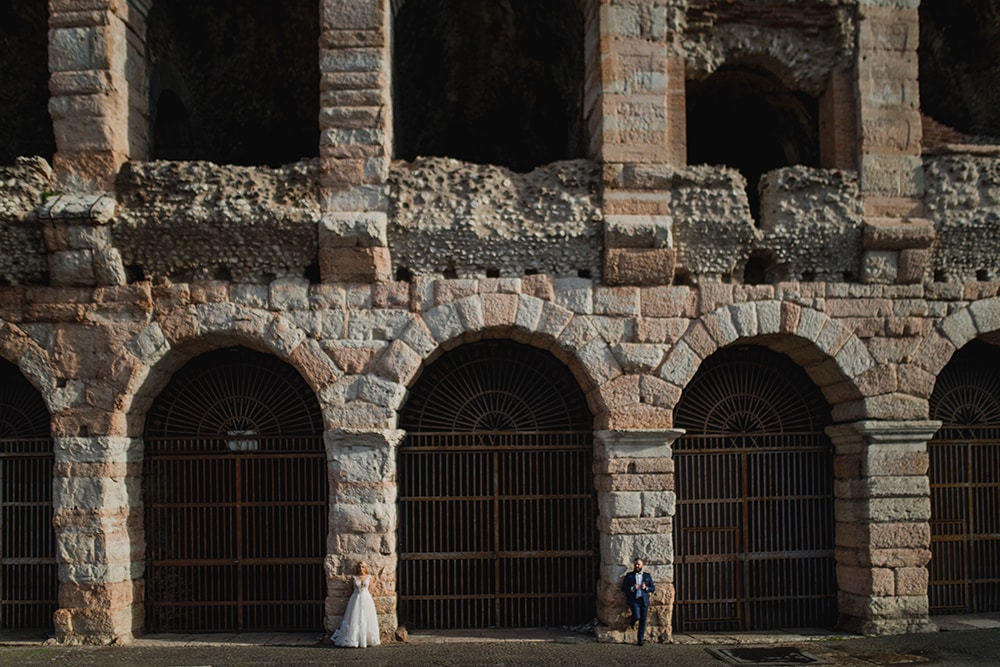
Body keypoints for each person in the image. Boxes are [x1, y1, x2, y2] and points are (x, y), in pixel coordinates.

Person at [332, 561, 381, 648]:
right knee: (354, 618)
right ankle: (354, 639)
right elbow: (351, 589)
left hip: (366, 598)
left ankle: (366, 639)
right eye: (359, 567)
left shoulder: (369, 578)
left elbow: (371, 589)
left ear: (365, 568)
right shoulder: (354, 578)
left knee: (366, 618)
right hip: (355, 598)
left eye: (362, 567)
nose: (360, 568)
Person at [621, 557, 655, 646]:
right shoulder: (629, 576)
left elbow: (653, 588)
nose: (637, 566)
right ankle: (632, 621)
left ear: (642, 565)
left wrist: (646, 588)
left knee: (643, 621)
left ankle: (640, 639)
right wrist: (632, 588)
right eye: (635, 564)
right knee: (637, 616)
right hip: (634, 600)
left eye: (638, 564)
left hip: (644, 601)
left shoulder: (647, 576)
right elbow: (623, 587)